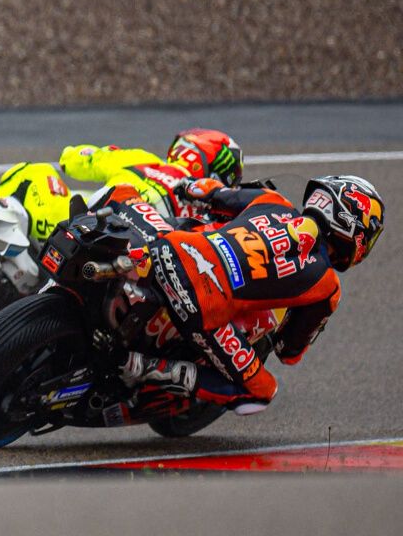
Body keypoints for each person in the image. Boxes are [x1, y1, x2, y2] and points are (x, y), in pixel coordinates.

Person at [119, 175, 383, 414]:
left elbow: (207, 191)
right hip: (202, 306)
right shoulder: (327, 285)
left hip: (169, 247)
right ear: (355, 227)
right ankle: (146, 367)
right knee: (262, 392)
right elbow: (288, 351)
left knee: (123, 193)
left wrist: (185, 187)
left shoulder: (273, 201)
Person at [0, 128, 244, 240]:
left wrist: (88, 153)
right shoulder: (211, 213)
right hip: (132, 263)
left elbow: (71, 160)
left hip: (77, 228)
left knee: (36, 171)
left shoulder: (143, 160)